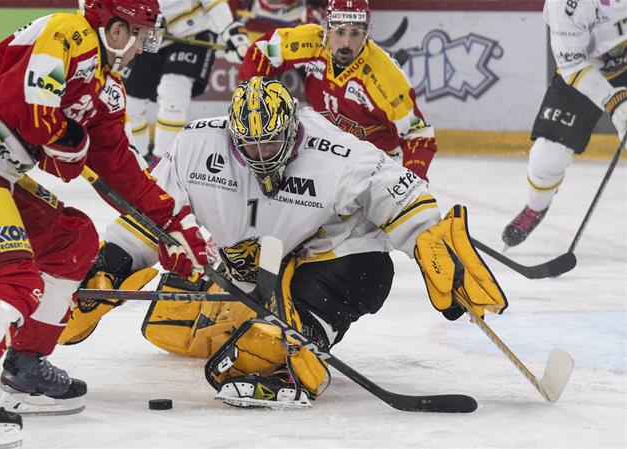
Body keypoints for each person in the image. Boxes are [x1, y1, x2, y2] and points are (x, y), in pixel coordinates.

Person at [60, 76, 508, 409]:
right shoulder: (197, 146)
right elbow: (149, 217)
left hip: (328, 256)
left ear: (293, 128)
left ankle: (304, 343)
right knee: (174, 331)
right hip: (248, 266)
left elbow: (401, 190)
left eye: (271, 142)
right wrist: (111, 264)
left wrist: (428, 237)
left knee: (269, 343)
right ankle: (267, 321)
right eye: (249, 146)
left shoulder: (334, 152)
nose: (261, 156)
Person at [0, 1, 201, 446]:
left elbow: (119, 166)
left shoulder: (102, 85)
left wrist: (175, 224)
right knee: (12, 277)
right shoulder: (69, 31)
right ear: (115, 29)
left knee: (70, 239)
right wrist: (70, 139)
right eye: (140, 33)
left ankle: (25, 366)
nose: (142, 47)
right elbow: (22, 106)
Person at [236, 0, 436, 181]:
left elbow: (418, 134)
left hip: (374, 165)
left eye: (355, 33)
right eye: (340, 32)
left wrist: (414, 180)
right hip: (324, 152)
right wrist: (254, 97)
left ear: (366, 33)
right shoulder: (310, 41)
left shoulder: (385, 77)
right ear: (327, 29)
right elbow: (262, 51)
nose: (346, 44)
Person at [501, 0, 626, 248]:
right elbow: (572, 64)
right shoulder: (565, 5)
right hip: (584, 70)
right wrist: (614, 101)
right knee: (547, 156)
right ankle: (536, 207)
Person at [125, 0, 251, 164]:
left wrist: (230, 31)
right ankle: (139, 163)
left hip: (193, 30)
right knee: (132, 104)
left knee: (173, 94)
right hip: (149, 32)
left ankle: (164, 165)